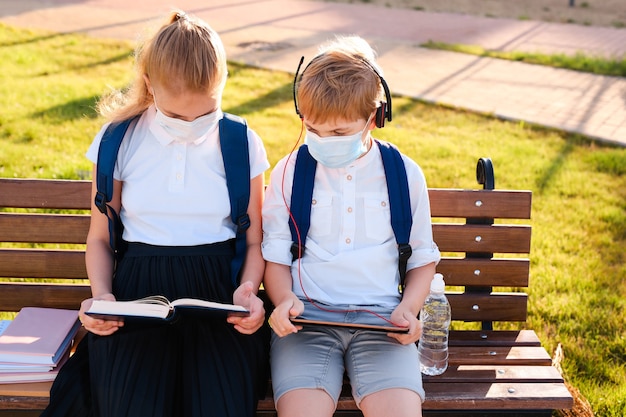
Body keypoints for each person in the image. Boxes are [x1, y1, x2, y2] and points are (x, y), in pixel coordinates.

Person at [42, 10, 270, 417]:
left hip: (220, 295)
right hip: (136, 294)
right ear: (149, 85)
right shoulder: (119, 139)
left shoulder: (241, 140)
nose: (192, 124)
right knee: (130, 405)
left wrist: (249, 291)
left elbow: (254, 240)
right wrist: (102, 298)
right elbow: (98, 237)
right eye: (178, 115)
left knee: (219, 406)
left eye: (205, 113)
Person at [261, 36, 441, 417]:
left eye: (339, 133)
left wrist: (409, 310)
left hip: (381, 324)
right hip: (307, 324)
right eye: (313, 130)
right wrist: (283, 300)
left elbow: (423, 257)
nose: (324, 142)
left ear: (375, 118)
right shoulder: (289, 172)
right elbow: (275, 253)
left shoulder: (403, 174)